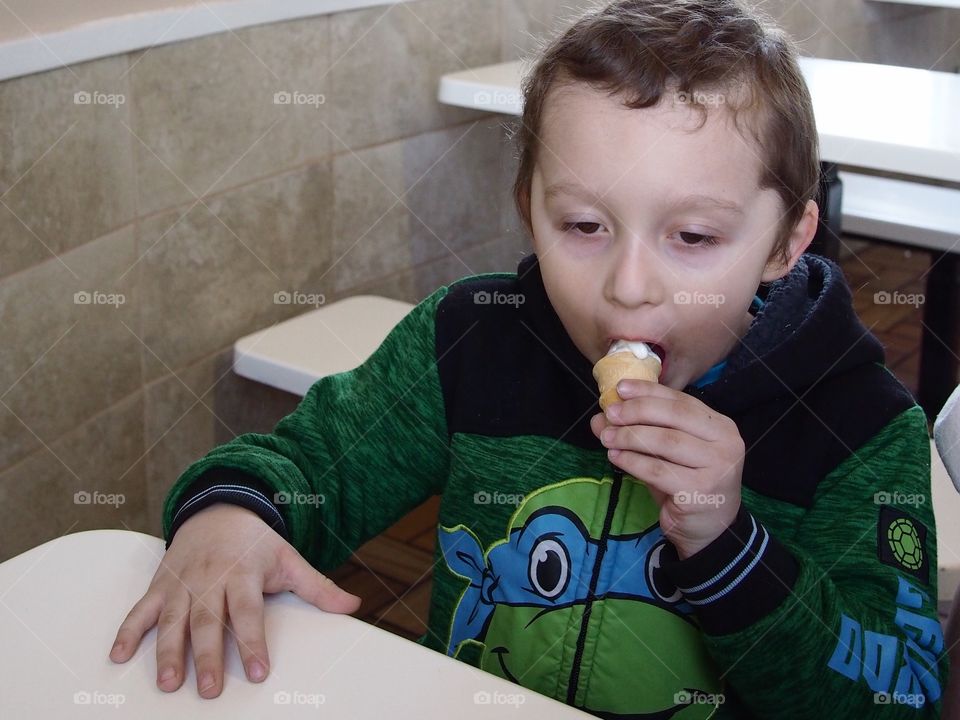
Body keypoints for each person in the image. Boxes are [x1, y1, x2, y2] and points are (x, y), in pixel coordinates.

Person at [108, 1, 948, 716]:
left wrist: (732, 549)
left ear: (787, 242)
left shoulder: (861, 430)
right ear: (529, 209)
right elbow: (312, 460)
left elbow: (901, 692)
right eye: (583, 225)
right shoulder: (473, 341)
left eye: (693, 236)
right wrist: (233, 517)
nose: (627, 288)